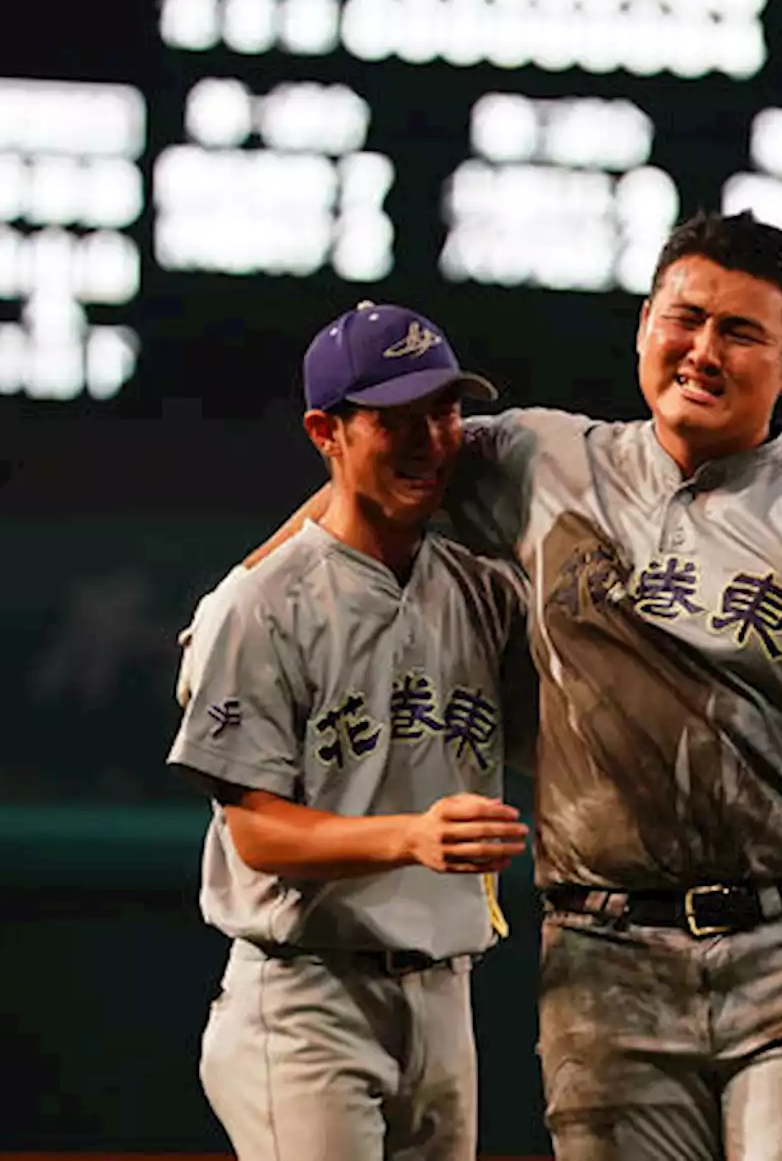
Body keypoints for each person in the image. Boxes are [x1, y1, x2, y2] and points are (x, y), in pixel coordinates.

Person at [200, 212, 782, 1161]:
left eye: (741, 332)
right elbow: (365, 480)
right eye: (686, 317)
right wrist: (239, 594)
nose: (704, 349)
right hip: (603, 958)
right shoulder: (540, 461)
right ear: (644, 327)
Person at [167, 300, 530, 1161]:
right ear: (325, 431)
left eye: (442, 412)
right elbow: (256, 829)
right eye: (395, 419)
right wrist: (412, 835)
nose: (429, 440)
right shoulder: (260, 605)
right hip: (306, 997)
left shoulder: (484, 593)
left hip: (446, 996)